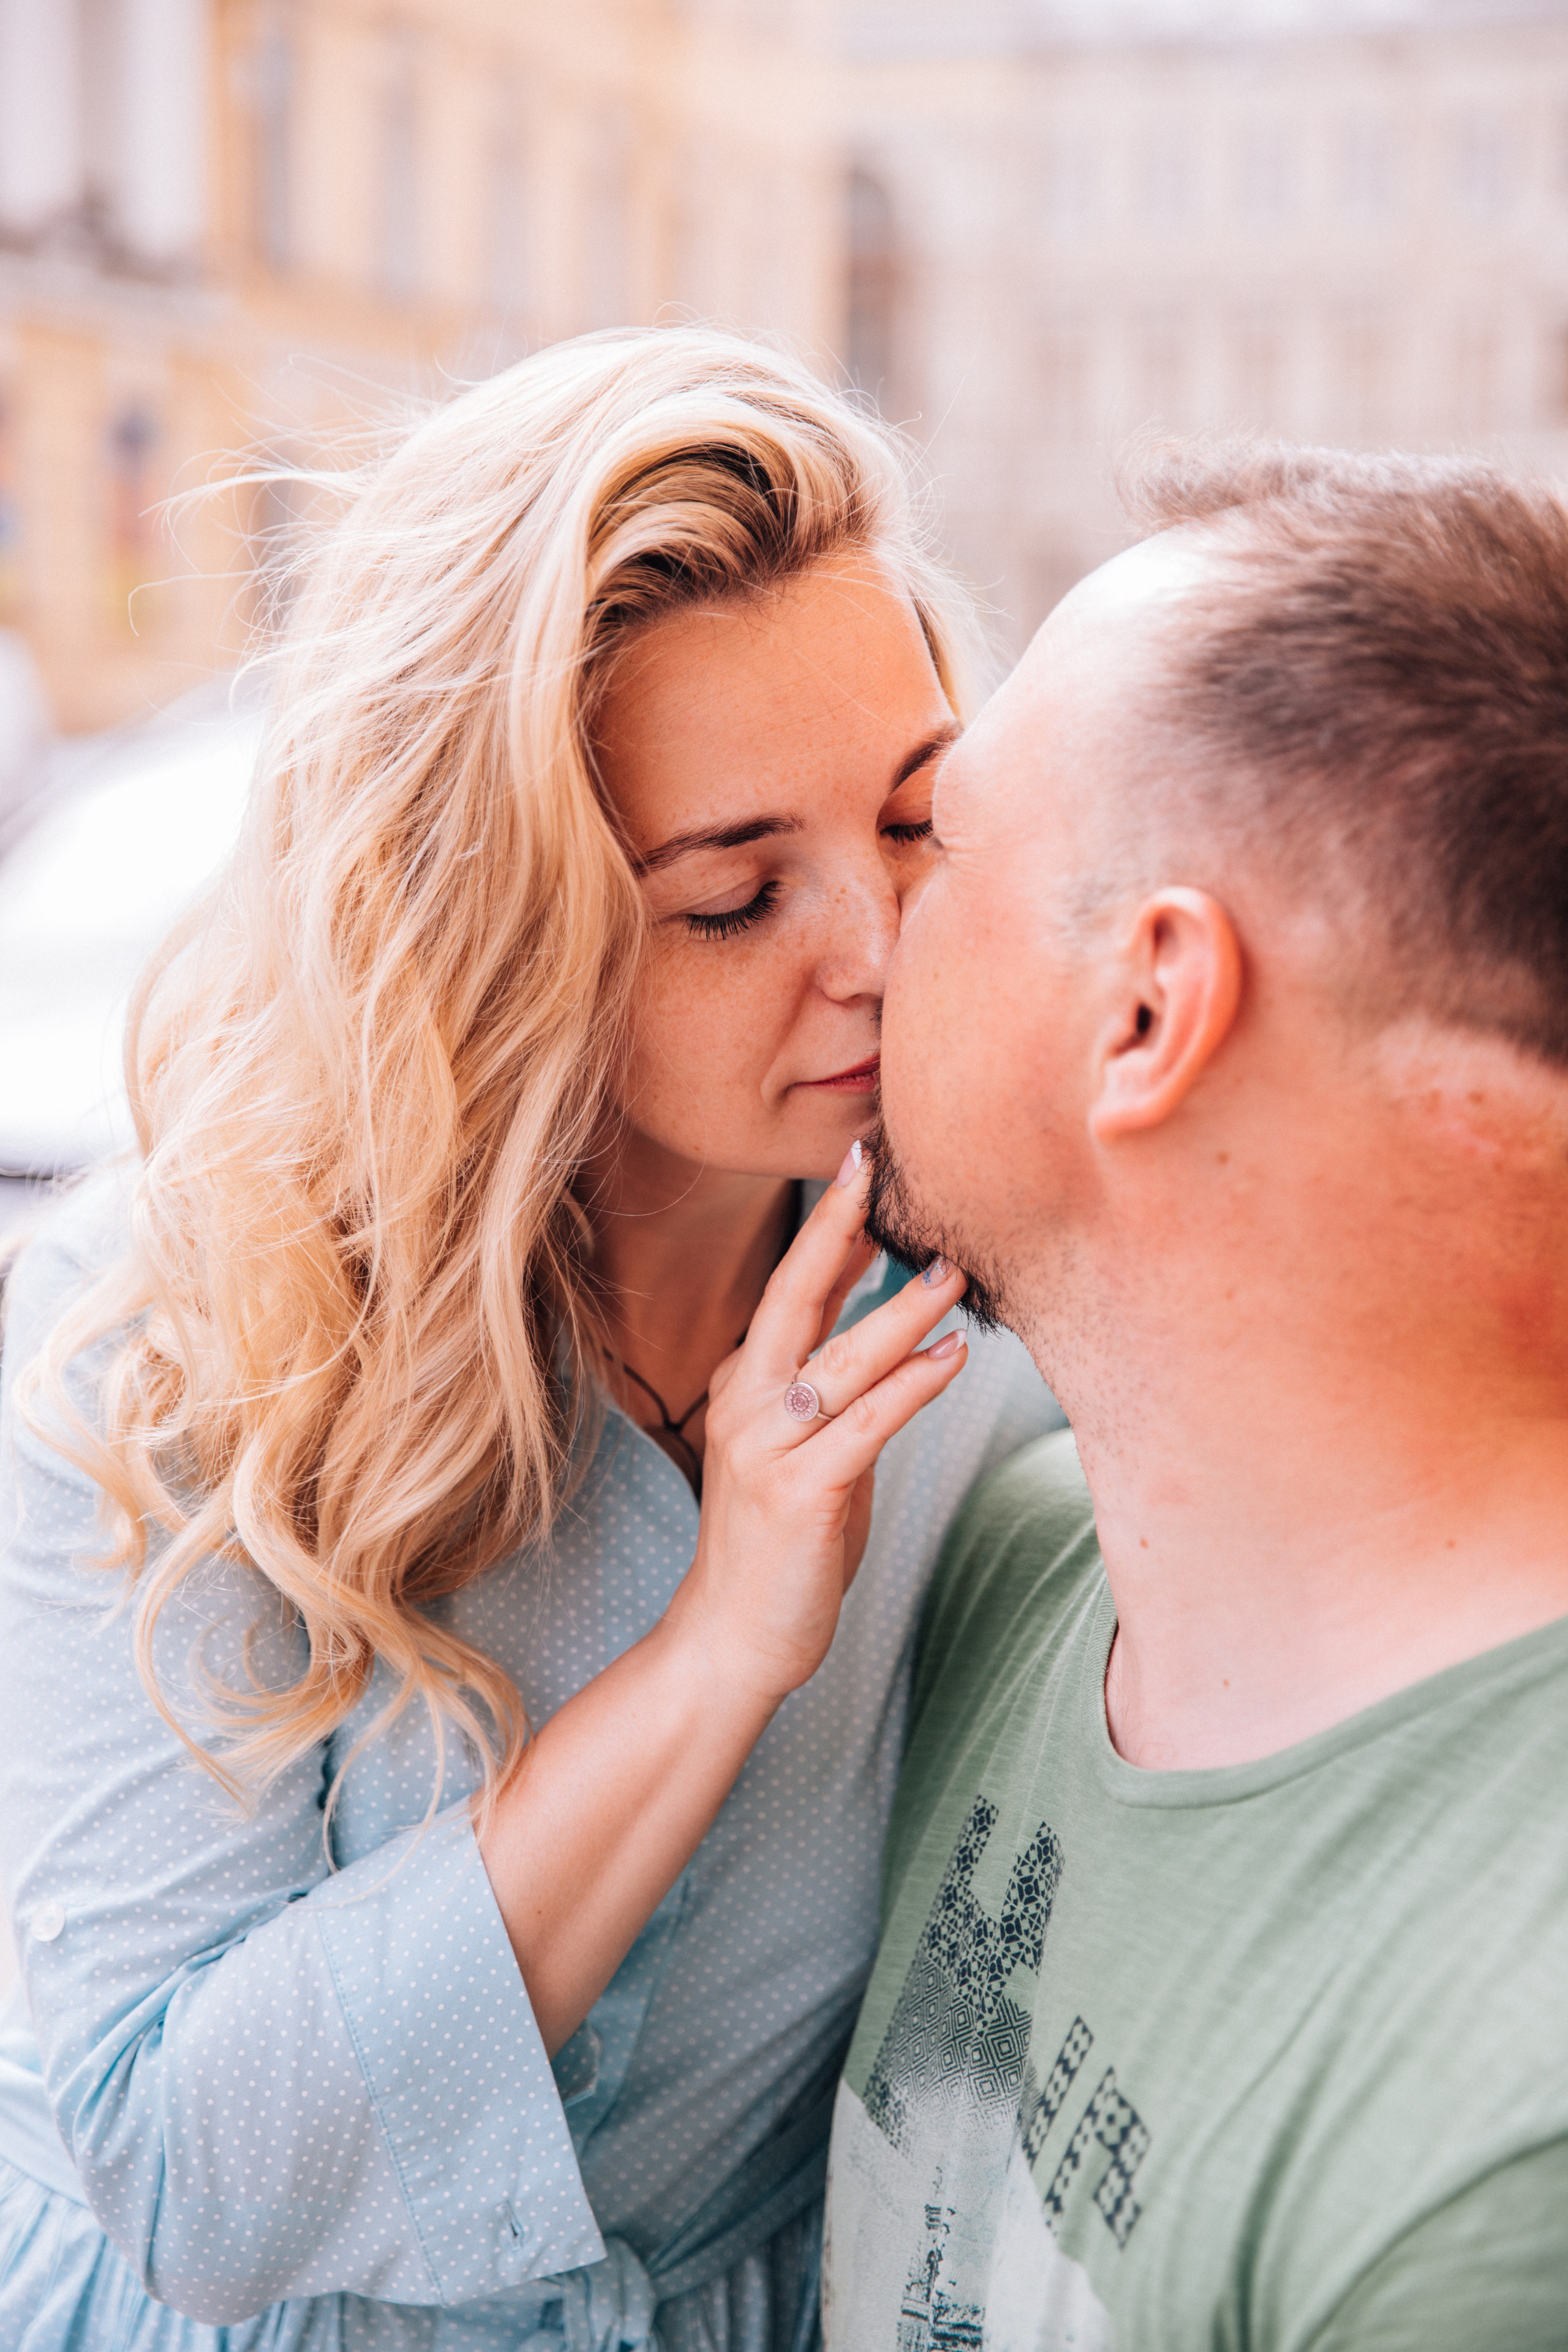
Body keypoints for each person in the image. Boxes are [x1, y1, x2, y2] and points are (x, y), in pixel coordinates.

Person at [0, 329, 1061, 2352]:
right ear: (495, 927)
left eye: (920, 824)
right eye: (739, 897)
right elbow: (189, 2182)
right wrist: (723, 1648)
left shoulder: (1010, 1296)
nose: (880, 950)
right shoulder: (176, 1332)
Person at [825, 444, 1568, 2349]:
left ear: (1148, 1010)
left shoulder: (1504, 2147)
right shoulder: (978, 1571)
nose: (867, 935)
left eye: (935, 835)